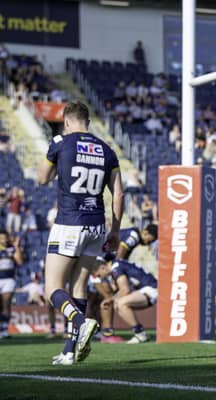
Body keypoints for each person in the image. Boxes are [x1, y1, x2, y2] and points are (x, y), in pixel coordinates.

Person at [38, 100, 124, 365]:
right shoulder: (107, 150)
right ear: (87, 120)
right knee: (79, 287)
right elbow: (118, 192)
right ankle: (69, 351)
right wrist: (115, 230)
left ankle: (79, 319)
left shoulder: (60, 142)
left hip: (69, 222)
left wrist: (56, 171)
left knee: (52, 287)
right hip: (97, 224)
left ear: (66, 120)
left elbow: (42, 179)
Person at [91, 254, 156, 343]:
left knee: (121, 303)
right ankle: (140, 333)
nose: (100, 278)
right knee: (119, 304)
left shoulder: (116, 267)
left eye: (99, 275)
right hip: (146, 289)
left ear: (103, 268)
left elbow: (125, 290)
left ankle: (140, 333)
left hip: (152, 289)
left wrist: (110, 299)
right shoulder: (116, 266)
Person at [0, 230, 24, 338]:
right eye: (1, 238)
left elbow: (20, 262)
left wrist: (17, 247)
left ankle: (4, 330)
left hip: (8, 280)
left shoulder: (12, 249)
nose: (3, 240)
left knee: (6, 303)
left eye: (4, 238)